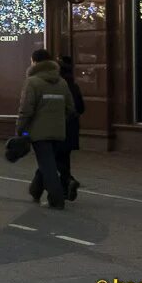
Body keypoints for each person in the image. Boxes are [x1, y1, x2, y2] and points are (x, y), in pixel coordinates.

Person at [17, 48, 74, 209]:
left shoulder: (32, 82)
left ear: (35, 62)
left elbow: (26, 109)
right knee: (48, 161)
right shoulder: (62, 82)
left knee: (47, 165)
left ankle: (56, 199)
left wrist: (20, 129)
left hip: (39, 133)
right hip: (58, 131)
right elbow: (71, 108)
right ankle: (35, 190)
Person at [57, 56, 85, 201]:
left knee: (54, 158)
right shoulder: (74, 85)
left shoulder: (58, 86)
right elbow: (81, 108)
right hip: (72, 128)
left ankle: (68, 181)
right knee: (64, 158)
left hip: (57, 127)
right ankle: (65, 189)